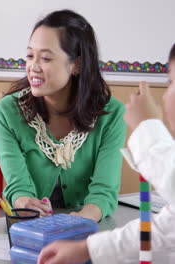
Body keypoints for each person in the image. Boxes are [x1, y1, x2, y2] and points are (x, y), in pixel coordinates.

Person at [37, 44, 175, 264]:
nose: (166, 94)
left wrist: (147, 127)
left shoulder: (110, 113)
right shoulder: (12, 110)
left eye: (171, 82)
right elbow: (165, 230)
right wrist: (87, 249)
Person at [0, 9, 126, 221]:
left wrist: (80, 220)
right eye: (29, 55)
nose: (33, 67)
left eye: (45, 58)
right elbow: (18, 185)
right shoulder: (7, 112)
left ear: (77, 65)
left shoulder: (111, 115)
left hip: (88, 226)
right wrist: (24, 201)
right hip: (31, 227)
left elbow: (104, 192)